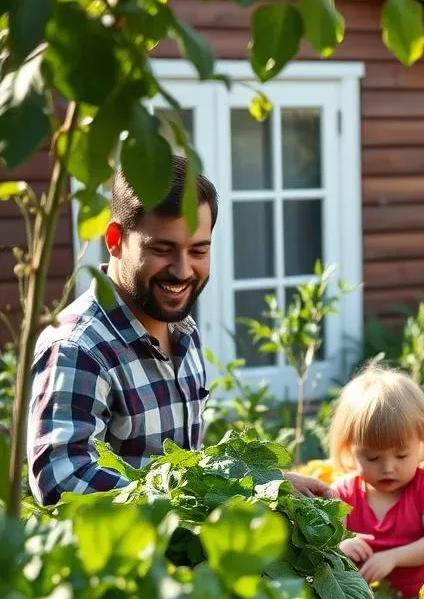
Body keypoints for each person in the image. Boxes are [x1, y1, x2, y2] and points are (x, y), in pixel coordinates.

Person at [28, 156, 328, 506]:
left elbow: (185, 465)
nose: (183, 270)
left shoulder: (182, 329)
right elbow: (62, 479)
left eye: (198, 250)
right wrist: (195, 499)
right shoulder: (78, 347)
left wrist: (262, 485)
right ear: (114, 240)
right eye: (162, 249)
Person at [329, 359, 424, 599]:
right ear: (348, 448)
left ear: (422, 443)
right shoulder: (343, 493)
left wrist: (392, 557)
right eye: (373, 457)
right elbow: (328, 550)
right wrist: (341, 547)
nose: (388, 468)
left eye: (401, 455)